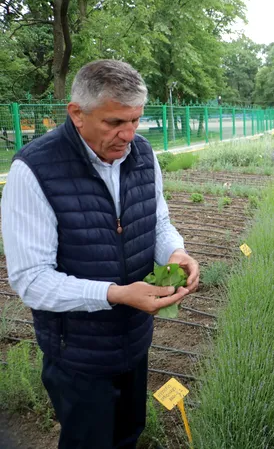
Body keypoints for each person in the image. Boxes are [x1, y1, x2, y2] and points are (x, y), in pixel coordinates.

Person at [1, 60, 200, 449]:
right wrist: (116, 294)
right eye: (113, 123)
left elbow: (157, 222)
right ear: (77, 114)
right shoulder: (35, 170)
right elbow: (31, 281)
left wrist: (175, 252)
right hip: (78, 353)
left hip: (135, 340)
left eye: (135, 120)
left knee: (128, 435)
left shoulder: (142, 154)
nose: (128, 134)